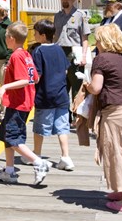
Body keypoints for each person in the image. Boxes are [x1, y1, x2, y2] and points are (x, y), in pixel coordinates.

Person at [85, 24, 122, 214]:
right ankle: (119, 191)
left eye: (98, 40)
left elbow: (97, 87)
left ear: (104, 41)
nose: (96, 43)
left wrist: (87, 86)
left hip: (115, 113)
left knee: (117, 154)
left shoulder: (101, 59)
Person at [0, 21, 50, 186]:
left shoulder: (16, 56)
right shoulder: (26, 54)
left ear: (10, 38)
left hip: (17, 103)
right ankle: (9, 171)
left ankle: (38, 162)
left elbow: (24, 80)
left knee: (13, 137)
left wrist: (4, 87)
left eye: (5, 37)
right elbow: (35, 78)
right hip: (22, 102)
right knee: (6, 136)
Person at [28, 19, 74, 171]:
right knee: (62, 127)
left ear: (42, 35)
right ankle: (66, 156)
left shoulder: (38, 51)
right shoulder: (59, 49)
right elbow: (66, 70)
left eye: (35, 33)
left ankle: (37, 154)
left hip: (45, 96)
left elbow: (37, 76)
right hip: (61, 96)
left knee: (39, 128)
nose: (34, 35)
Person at [53, 0, 91, 121]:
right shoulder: (57, 16)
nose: (64, 1)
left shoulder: (80, 15)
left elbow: (85, 38)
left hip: (75, 52)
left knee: (76, 86)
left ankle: (77, 115)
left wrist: (84, 56)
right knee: (61, 85)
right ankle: (65, 115)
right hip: (60, 52)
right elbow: (55, 37)